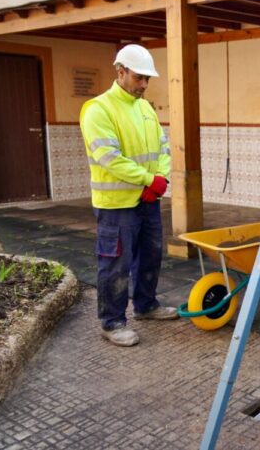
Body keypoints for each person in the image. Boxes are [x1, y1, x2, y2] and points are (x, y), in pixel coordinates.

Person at [79, 44, 177, 347]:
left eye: (148, 79)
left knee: (150, 255)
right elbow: (109, 158)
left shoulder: (145, 108)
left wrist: (161, 178)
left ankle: (146, 306)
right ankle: (112, 322)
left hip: (148, 200)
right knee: (115, 264)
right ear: (120, 71)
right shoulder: (98, 109)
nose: (144, 84)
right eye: (139, 77)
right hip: (116, 206)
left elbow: (163, 147)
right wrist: (148, 180)